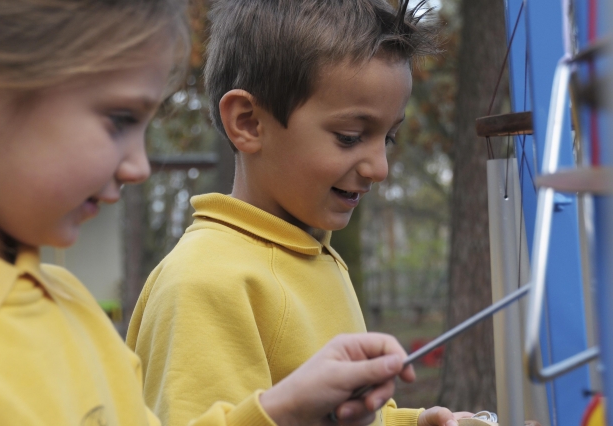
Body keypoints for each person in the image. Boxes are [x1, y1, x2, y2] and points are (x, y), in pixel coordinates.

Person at [0, 1, 438, 425]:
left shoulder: (70, 305)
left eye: (389, 138)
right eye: (119, 120)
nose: (138, 166)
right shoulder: (201, 281)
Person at [127, 1, 473, 425]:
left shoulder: (313, 257)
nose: (379, 168)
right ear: (249, 123)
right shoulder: (205, 282)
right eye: (350, 137)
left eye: (390, 138)